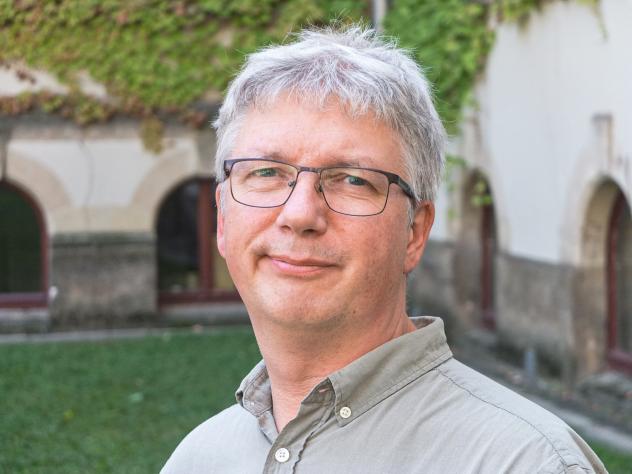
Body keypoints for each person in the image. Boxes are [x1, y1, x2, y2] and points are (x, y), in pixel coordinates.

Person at [161, 25, 607, 473]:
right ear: (222, 218)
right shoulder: (199, 459)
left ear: (414, 232)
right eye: (266, 172)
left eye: (353, 180)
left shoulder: (527, 464)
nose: (299, 214)